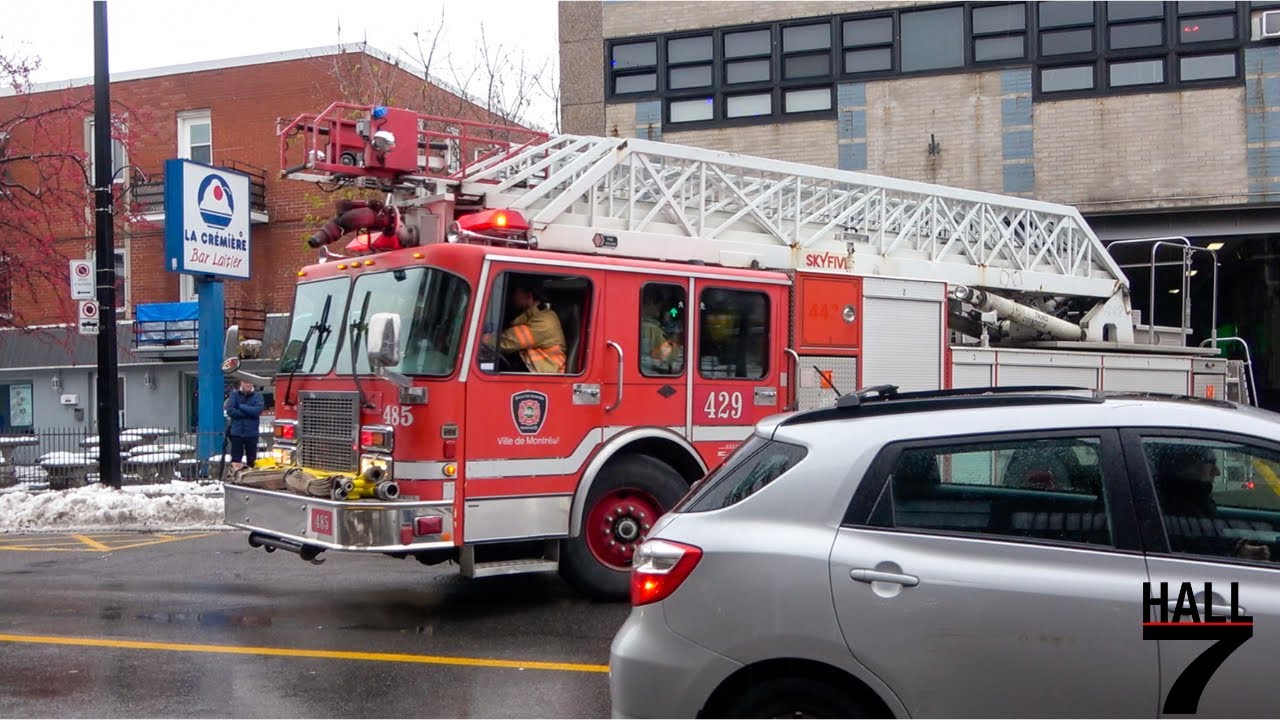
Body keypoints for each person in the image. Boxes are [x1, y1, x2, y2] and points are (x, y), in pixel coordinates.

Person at [1154, 444, 1270, 562]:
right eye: (1211, 463)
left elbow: (1211, 545)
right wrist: (1236, 557)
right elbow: (1203, 556)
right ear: (1187, 466)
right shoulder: (1177, 509)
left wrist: (1238, 550)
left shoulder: (1197, 501)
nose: (1217, 471)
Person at [482, 281, 567, 373]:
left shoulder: (545, 320)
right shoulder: (530, 316)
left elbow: (509, 341)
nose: (510, 298)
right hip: (535, 373)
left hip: (547, 375)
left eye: (514, 293)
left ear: (528, 295)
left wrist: (483, 340)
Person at [224, 380, 264, 468]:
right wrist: (248, 413)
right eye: (246, 382)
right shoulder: (234, 395)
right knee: (236, 459)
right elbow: (230, 411)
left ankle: (251, 478)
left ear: (253, 383)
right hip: (236, 433)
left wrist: (241, 407)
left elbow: (257, 411)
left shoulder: (258, 396)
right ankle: (236, 477)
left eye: (249, 382)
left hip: (252, 433)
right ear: (241, 383)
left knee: (252, 459)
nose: (248, 384)